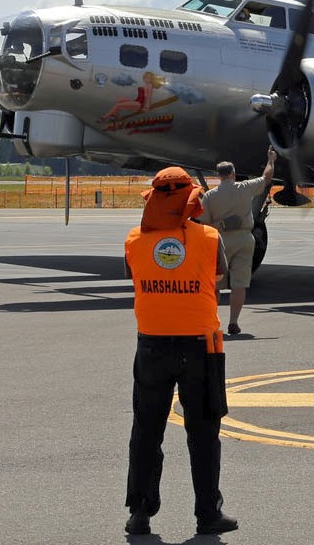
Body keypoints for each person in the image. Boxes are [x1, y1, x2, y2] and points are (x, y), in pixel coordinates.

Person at [122, 167, 237, 536]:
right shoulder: (208, 237)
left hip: (152, 344)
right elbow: (219, 276)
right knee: (203, 433)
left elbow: (134, 275)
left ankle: (139, 512)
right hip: (200, 345)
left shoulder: (134, 239)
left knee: (146, 430)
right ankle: (207, 513)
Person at [199, 147, 276, 336]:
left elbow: (204, 223)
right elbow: (266, 178)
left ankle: (212, 321)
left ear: (219, 175)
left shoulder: (210, 196)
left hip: (219, 240)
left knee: (215, 284)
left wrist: (222, 225)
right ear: (233, 173)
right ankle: (234, 321)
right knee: (239, 284)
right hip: (244, 239)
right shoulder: (245, 188)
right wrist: (271, 160)